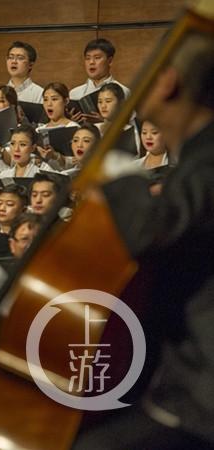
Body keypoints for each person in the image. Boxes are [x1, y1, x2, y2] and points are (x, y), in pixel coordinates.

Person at [72, 31, 214, 450]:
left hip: (201, 396)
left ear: (167, 82)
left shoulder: (208, 159)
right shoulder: (196, 157)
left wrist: (112, 162)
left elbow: (151, 230)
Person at [69, 38, 131, 104]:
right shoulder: (75, 94)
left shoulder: (123, 91)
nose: (91, 62)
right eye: (88, 58)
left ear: (110, 61)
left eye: (97, 58)